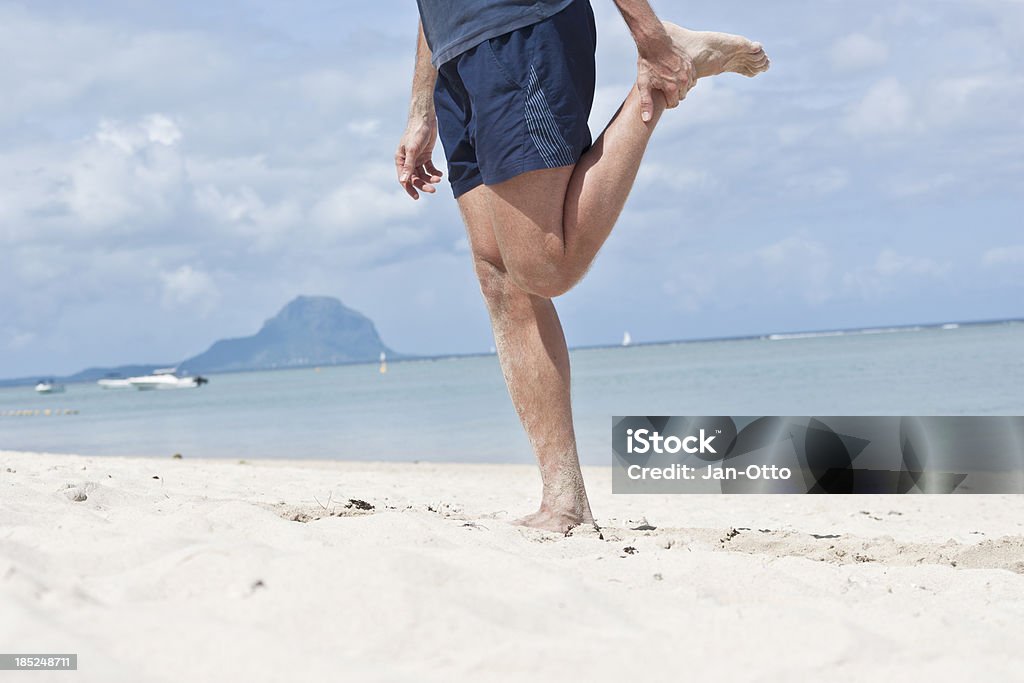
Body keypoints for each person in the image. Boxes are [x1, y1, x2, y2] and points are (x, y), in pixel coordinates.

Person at [396, 0, 769, 532]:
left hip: (519, 31)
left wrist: (650, 36)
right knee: (501, 279)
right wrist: (420, 108)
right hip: (456, 57)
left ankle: (654, 84)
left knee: (546, 267)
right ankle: (563, 500)